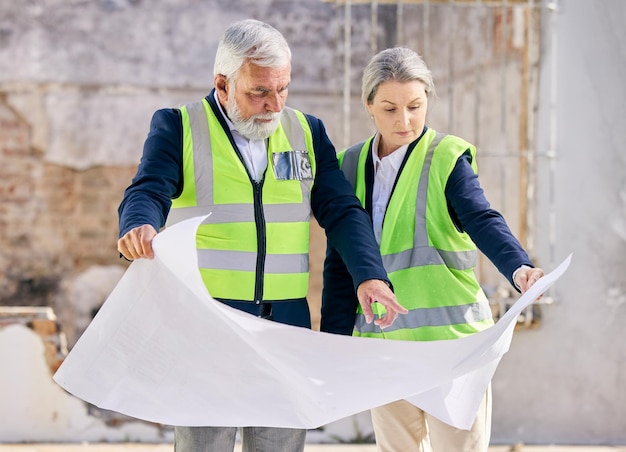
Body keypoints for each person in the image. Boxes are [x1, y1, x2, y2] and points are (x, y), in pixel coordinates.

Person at [116, 19, 407, 452]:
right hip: (207, 327)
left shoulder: (307, 132)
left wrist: (370, 275)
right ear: (223, 84)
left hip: (284, 331)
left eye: (283, 89)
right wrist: (138, 224)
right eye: (259, 92)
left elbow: (342, 211)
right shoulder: (179, 126)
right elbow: (148, 189)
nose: (274, 104)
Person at [320, 46, 545, 452]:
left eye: (415, 106)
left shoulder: (445, 157)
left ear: (427, 101)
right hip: (384, 347)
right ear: (368, 105)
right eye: (389, 108)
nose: (403, 121)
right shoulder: (348, 165)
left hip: (451, 345)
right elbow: (340, 260)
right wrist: (335, 345)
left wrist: (518, 268)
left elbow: (481, 218)